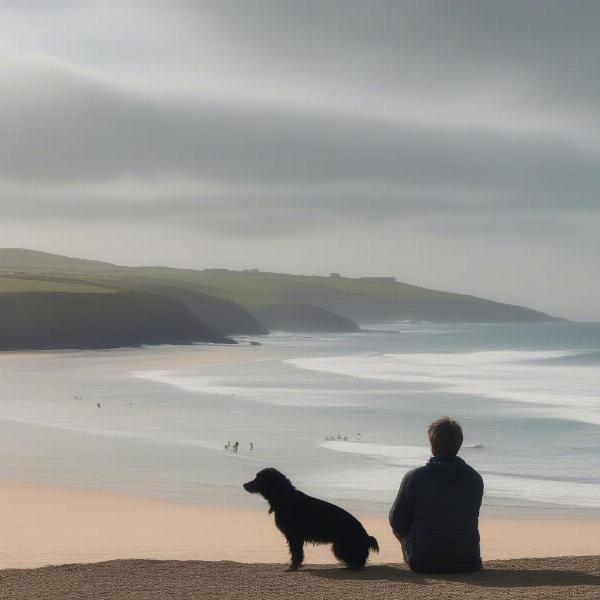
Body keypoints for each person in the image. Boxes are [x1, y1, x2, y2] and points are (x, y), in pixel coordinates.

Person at [389, 417, 483, 574]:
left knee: (401, 523)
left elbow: (397, 522)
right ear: (458, 445)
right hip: (468, 562)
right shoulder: (475, 478)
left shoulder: (415, 477)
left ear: (432, 446)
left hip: (423, 563)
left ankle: (414, 554)